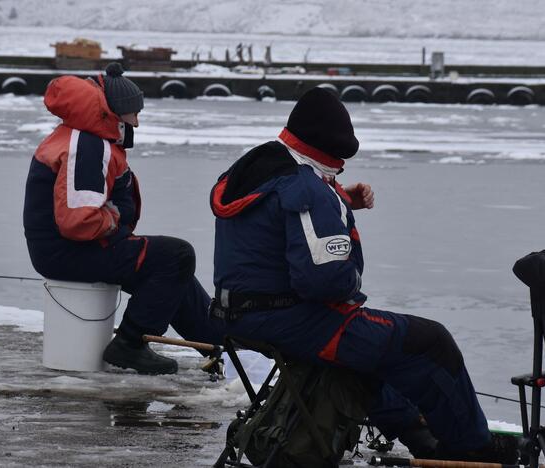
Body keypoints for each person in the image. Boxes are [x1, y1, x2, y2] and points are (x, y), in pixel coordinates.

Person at [208, 87, 518, 463]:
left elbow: (278, 218)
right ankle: (473, 450)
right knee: (431, 342)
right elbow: (324, 281)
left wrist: (338, 197)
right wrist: (345, 255)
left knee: (377, 348)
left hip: (237, 313)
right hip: (285, 320)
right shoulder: (308, 188)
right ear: (336, 152)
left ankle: (419, 435)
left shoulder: (257, 165)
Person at [23, 63, 222, 375]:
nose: (137, 122)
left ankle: (219, 343)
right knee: (176, 255)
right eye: (133, 113)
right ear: (114, 112)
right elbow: (79, 221)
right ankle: (129, 344)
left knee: (172, 270)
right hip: (68, 252)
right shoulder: (86, 146)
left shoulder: (85, 138)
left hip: (74, 248)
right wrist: (115, 221)